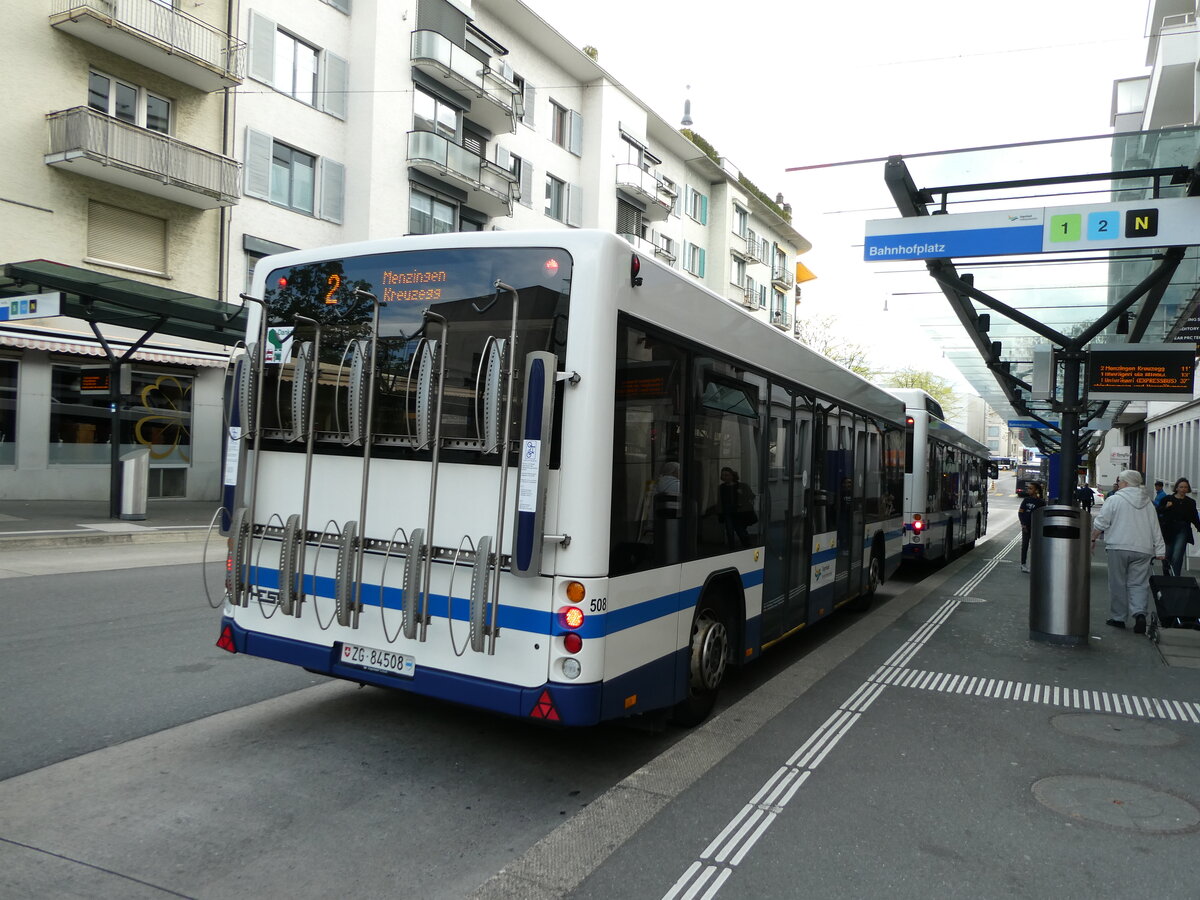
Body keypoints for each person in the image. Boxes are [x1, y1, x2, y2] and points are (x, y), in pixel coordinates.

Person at [1090, 469, 1166, 634]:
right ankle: (1139, 614)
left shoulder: (1114, 500)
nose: (1118, 483)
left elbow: (1102, 522)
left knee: (1118, 583)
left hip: (1118, 546)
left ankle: (1118, 618)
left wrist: (1093, 538)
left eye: (1120, 481)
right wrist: (1160, 549)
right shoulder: (1148, 502)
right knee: (1139, 583)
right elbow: (1155, 527)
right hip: (1143, 549)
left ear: (1125, 483)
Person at [1158, 478, 1200, 578]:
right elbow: (1158, 511)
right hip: (1168, 529)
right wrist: (1166, 507)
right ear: (1176, 488)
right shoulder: (1168, 499)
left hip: (1183, 529)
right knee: (1167, 555)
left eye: (1185, 487)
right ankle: (1166, 574)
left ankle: (1176, 577)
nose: (1183, 489)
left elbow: (1194, 517)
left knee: (1177, 555)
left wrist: (1198, 526)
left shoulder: (1190, 502)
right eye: (1181, 487)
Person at [718, 466, 756, 549]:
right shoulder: (721, 487)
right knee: (729, 531)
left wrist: (742, 494)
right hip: (728, 512)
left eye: (727, 475)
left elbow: (752, 496)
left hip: (739, 512)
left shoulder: (742, 486)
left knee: (741, 530)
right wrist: (720, 513)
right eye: (723, 475)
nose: (725, 477)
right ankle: (732, 548)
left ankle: (747, 546)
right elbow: (720, 501)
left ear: (732, 475)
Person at [1017, 482, 1045, 573]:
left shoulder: (1041, 502)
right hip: (1026, 527)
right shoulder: (1026, 500)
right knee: (1024, 545)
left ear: (1036, 490)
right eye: (1028, 488)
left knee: (1035, 547)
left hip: (1036, 527)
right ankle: (1023, 564)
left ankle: (1035, 565)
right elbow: (1021, 512)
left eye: (1030, 488)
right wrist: (1023, 524)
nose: (1028, 490)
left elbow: (1043, 515)